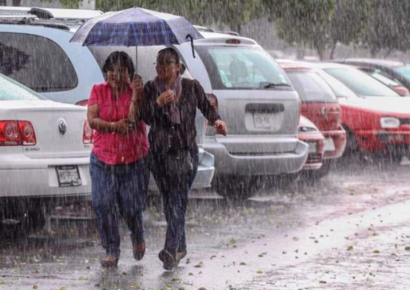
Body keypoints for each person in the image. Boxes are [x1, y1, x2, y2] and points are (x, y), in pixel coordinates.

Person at [129, 47, 227, 270]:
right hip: (159, 156)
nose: (161, 68)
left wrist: (218, 122)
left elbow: (208, 109)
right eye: (158, 64)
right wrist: (158, 103)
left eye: (166, 63)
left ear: (178, 66)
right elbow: (144, 118)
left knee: (176, 201)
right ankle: (181, 247)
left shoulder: (192, 87)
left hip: (185, 154)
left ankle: (170, 249)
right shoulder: (152, 88)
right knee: (171, 201)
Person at [88, 51, 149, 268]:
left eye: (122, 70)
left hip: (133, 159)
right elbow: (92, 120)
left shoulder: (137, 92)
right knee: (103, 204)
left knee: (131, 206)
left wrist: (135, 95)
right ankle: (111, 249)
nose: (116, 74)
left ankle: (137, 235)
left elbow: (134, 119)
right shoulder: (97, 91)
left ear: (130, 73)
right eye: (112, 69)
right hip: (103, 159)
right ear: (106, 73)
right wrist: (114, 127)